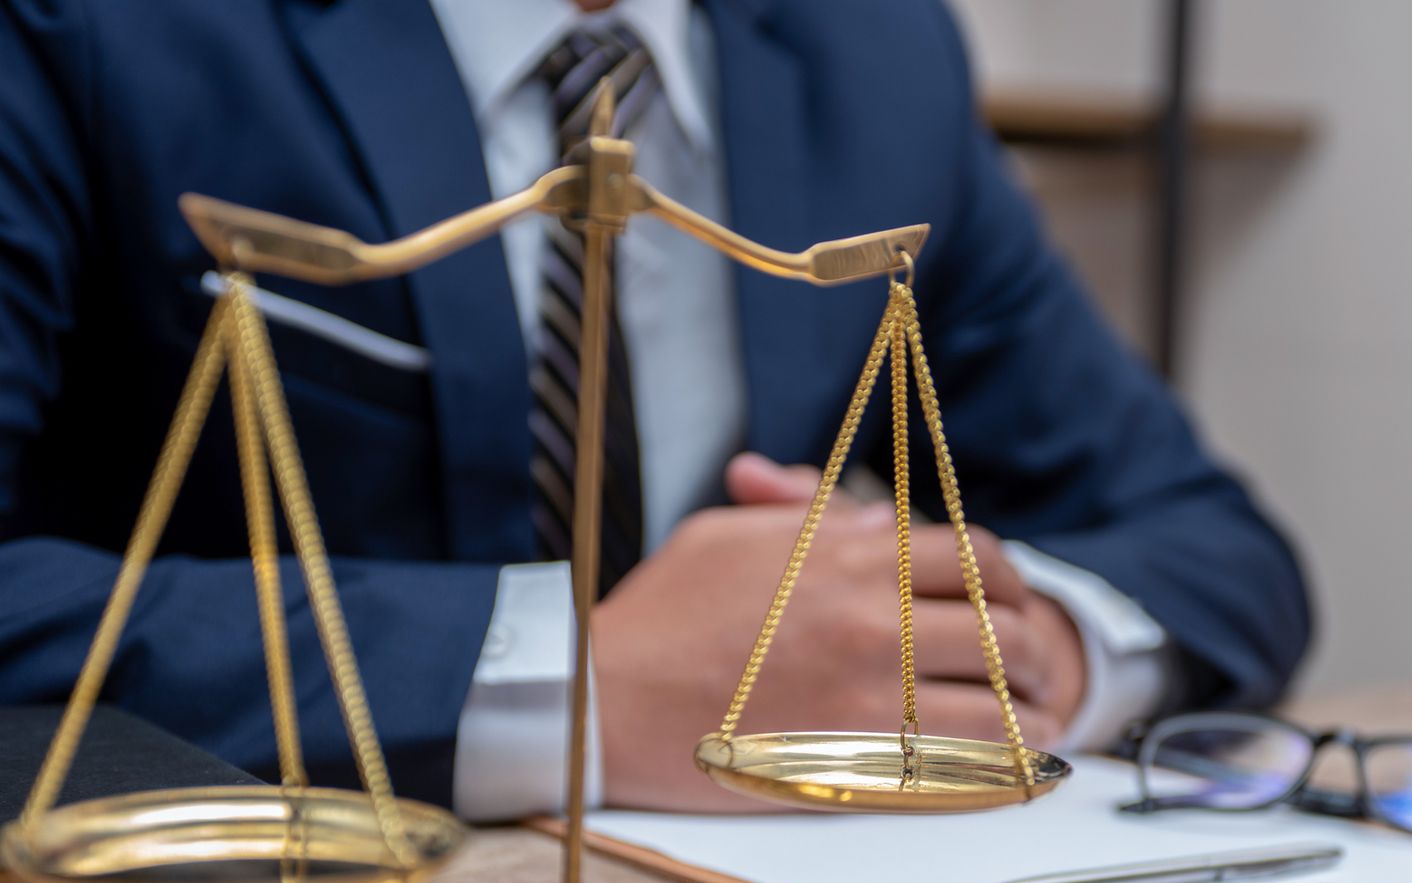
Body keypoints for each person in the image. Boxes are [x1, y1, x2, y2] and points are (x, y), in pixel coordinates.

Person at [0, 0, 1311, 816]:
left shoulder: (877, 54)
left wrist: (1032, 651)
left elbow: (1212, 543)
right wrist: (578, 679)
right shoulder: (96, 29)